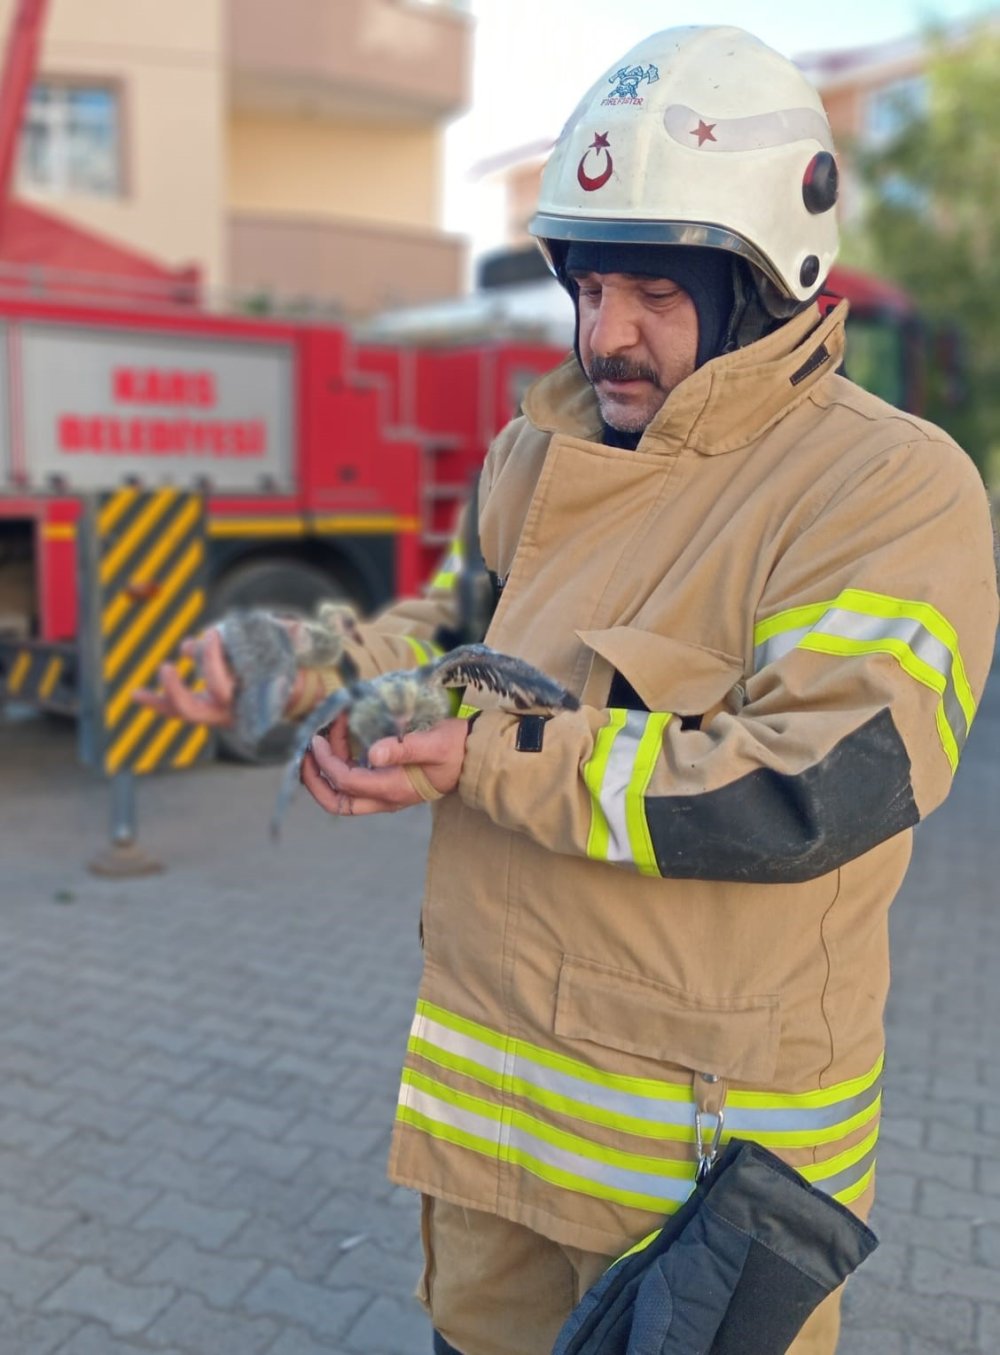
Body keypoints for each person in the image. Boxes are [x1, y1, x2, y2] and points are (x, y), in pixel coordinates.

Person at [136, 25, 999, 1355]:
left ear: (767, 282)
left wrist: (486, 758)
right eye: (588, 287)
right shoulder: (543, 456)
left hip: (700, 1190)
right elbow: (451, 632)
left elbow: (807, 785)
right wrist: (291, 670)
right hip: (494, 1155)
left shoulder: (889, 488)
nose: (608, 336)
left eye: (655, 291)